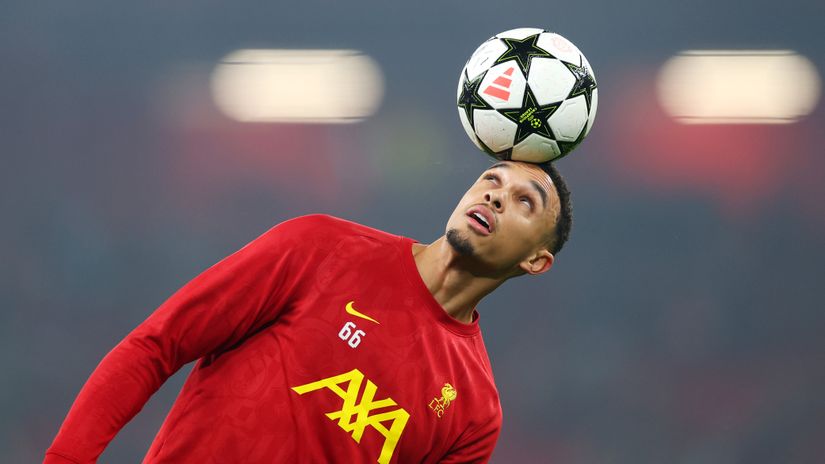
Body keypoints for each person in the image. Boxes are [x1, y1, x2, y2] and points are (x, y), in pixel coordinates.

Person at [45, 160, 573, 464]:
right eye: (491, 180)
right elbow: (156, 346)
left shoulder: (474, 412)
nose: (496, 197)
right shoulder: (321, 248)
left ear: (536, 260)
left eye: (524, 201)